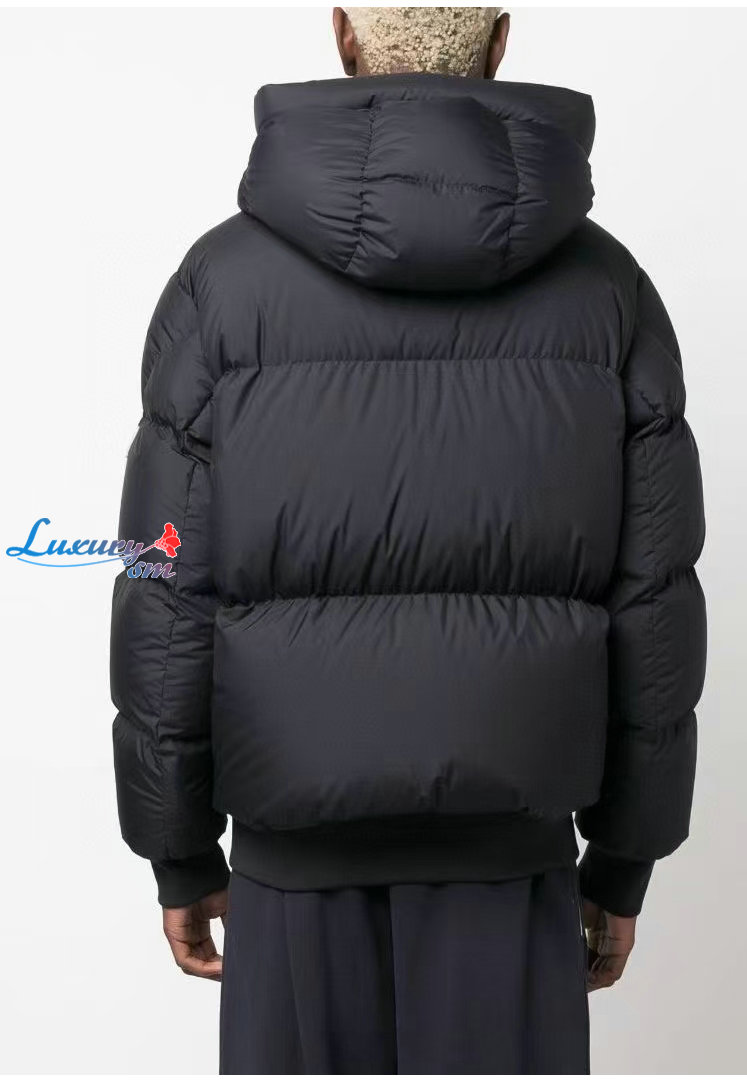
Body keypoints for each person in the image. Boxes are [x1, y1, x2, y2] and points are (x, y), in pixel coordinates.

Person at [110, 6, 706, 1074]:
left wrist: (178, 849)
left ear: (342, 36)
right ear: (499, 41)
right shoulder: (607, 290)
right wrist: (624, 860)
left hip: (291, 866)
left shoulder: (219, 287)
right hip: (510, 864)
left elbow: (163, 589)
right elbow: (653, 597)